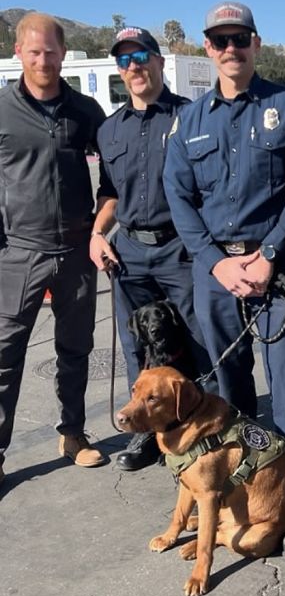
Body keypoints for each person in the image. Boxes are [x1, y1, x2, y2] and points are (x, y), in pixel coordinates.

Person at [163, 1, 285, 559]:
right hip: (215, 274)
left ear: (255, 43)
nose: (230, 48)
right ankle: (238, 496)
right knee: (226, 398)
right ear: (207, 49)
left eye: (240, 38)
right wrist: (216, 262)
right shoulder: (190, 121)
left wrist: (270, 253)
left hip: (273, 271)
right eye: (219, 40)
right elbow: (179, 199)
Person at [90, 27, 212, 472]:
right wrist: (97, 233)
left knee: (200, 342)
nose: (134, 66)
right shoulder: (109, 130)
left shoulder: (193, 116)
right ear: (119, 71)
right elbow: (109, 193)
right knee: (137, 347)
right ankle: (145, 434)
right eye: (124, 60)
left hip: (181, 249)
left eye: (141, 55)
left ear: (160, 60)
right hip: (130, 255)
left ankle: (208, 431)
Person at [0, 12, 109, 483]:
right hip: (16, 252)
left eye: (51, 51)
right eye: (34, 51)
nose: (43, 59)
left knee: (75, 348)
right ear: (18, 53)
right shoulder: (2, 109)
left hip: (75, 253)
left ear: (64, 54)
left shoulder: (86, 112)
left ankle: (74, 433)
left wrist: (100, 228)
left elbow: (114, 179)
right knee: (4, 355)